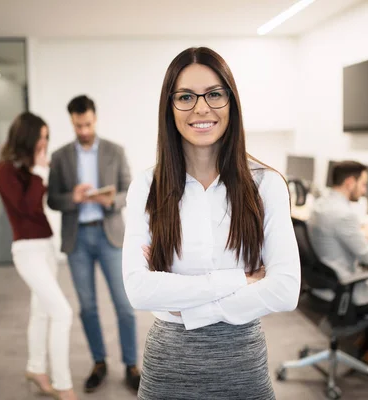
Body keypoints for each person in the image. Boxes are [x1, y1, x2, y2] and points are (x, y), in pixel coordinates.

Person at [122, 47, 301, 400]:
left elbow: (285, 290)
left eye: (214, 94)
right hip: (168, 366)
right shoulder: (147, 186)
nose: (201, 108)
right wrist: (239, 280)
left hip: (242, 365)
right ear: (169, 107)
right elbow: (139, 290)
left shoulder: (266, 185)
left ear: (231, 103)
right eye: (186, 97)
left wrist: (188, 306)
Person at [47, 95, 140, 393]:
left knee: (124, 306)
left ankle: (131, 364)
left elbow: (130, 190)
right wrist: (71, 198)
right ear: (72, 122)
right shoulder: (61, 157)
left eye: (87, 124)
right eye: (78, 125)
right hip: (78, 238)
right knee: (87, 307)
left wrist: (110, 199)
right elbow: (52, 199)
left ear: (95, 118)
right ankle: (99, 362)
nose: (84, 130)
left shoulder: (115, 150)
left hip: (109, 233)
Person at [0, 112, 77, 400]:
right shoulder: (5, 170)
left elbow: (45, 206)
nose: (45, 143)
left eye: (46, 137)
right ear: (27, 137)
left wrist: (40, 171)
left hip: (45, 246)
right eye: (41, 137)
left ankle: (36, 369)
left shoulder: (31, 169)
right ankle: (64, 386)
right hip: (27, 252)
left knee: (41, 312)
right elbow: (28, 208)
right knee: (62, 313)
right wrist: (40, 172)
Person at [307, 160, 368, 376]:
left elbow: (336, 237)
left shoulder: (322, 204)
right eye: (363, 184)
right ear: (350, 182)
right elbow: (367, 255)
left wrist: (364, 237)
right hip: (343, 286)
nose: (364, 191)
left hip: (322, 281)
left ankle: (365, 340)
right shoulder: (344, 213)